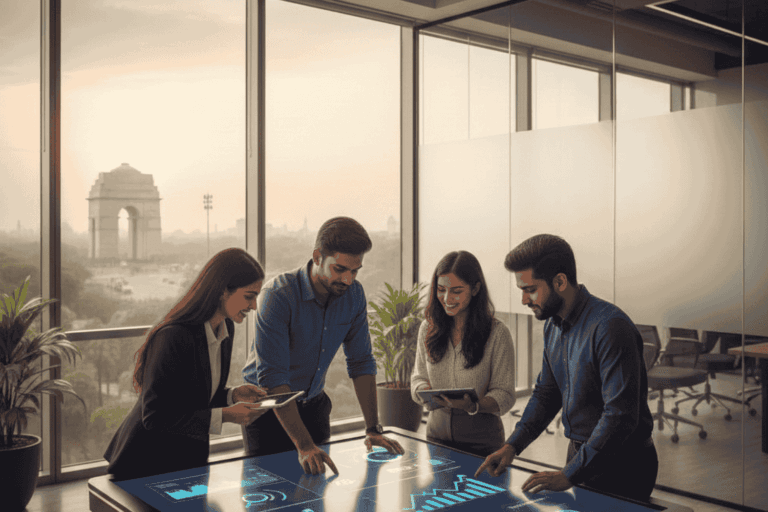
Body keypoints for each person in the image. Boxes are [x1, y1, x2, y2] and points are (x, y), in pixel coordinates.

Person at [475, 234, 657, 502]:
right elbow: (547, 393)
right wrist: (513, 445)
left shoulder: (610, 327)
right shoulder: (553, 325)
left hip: (623, 465)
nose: (525, 300)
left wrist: (569, 473)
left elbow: (619, 417)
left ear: (560, 281)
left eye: (530, 289)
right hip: (581, 455)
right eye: (521, 290)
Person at [242, 216, 404, 475]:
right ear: (317, 257)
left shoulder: (354, 295)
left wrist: (373, 429)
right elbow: (273, 378)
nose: (348, 279)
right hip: (269, 412)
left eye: (355, 271)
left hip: (315, 407)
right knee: (269, 498)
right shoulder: (278, 295)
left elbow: (361, 361)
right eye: (339, 269)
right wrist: (304, 446)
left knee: (315, 495)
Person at [104, 248, 269, 480]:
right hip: (145, 464)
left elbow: (194, 397)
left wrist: (233, 395)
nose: (253, 306)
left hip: (187, 461)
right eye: (249, 296)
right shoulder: (172, 337)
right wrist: (225, 415)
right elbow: (155, 416)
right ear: (223, 291)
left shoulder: (226, 328)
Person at [411, 251, 516, 456]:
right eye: (441, 290)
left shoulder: (497, 333)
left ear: (475, 288)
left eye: (456, 291)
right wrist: (422, 390)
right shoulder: (427, 328)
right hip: (436, 437)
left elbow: (505, 394)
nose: (447, 298)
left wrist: (473, 406)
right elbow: (418, 377)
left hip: (483, 443)